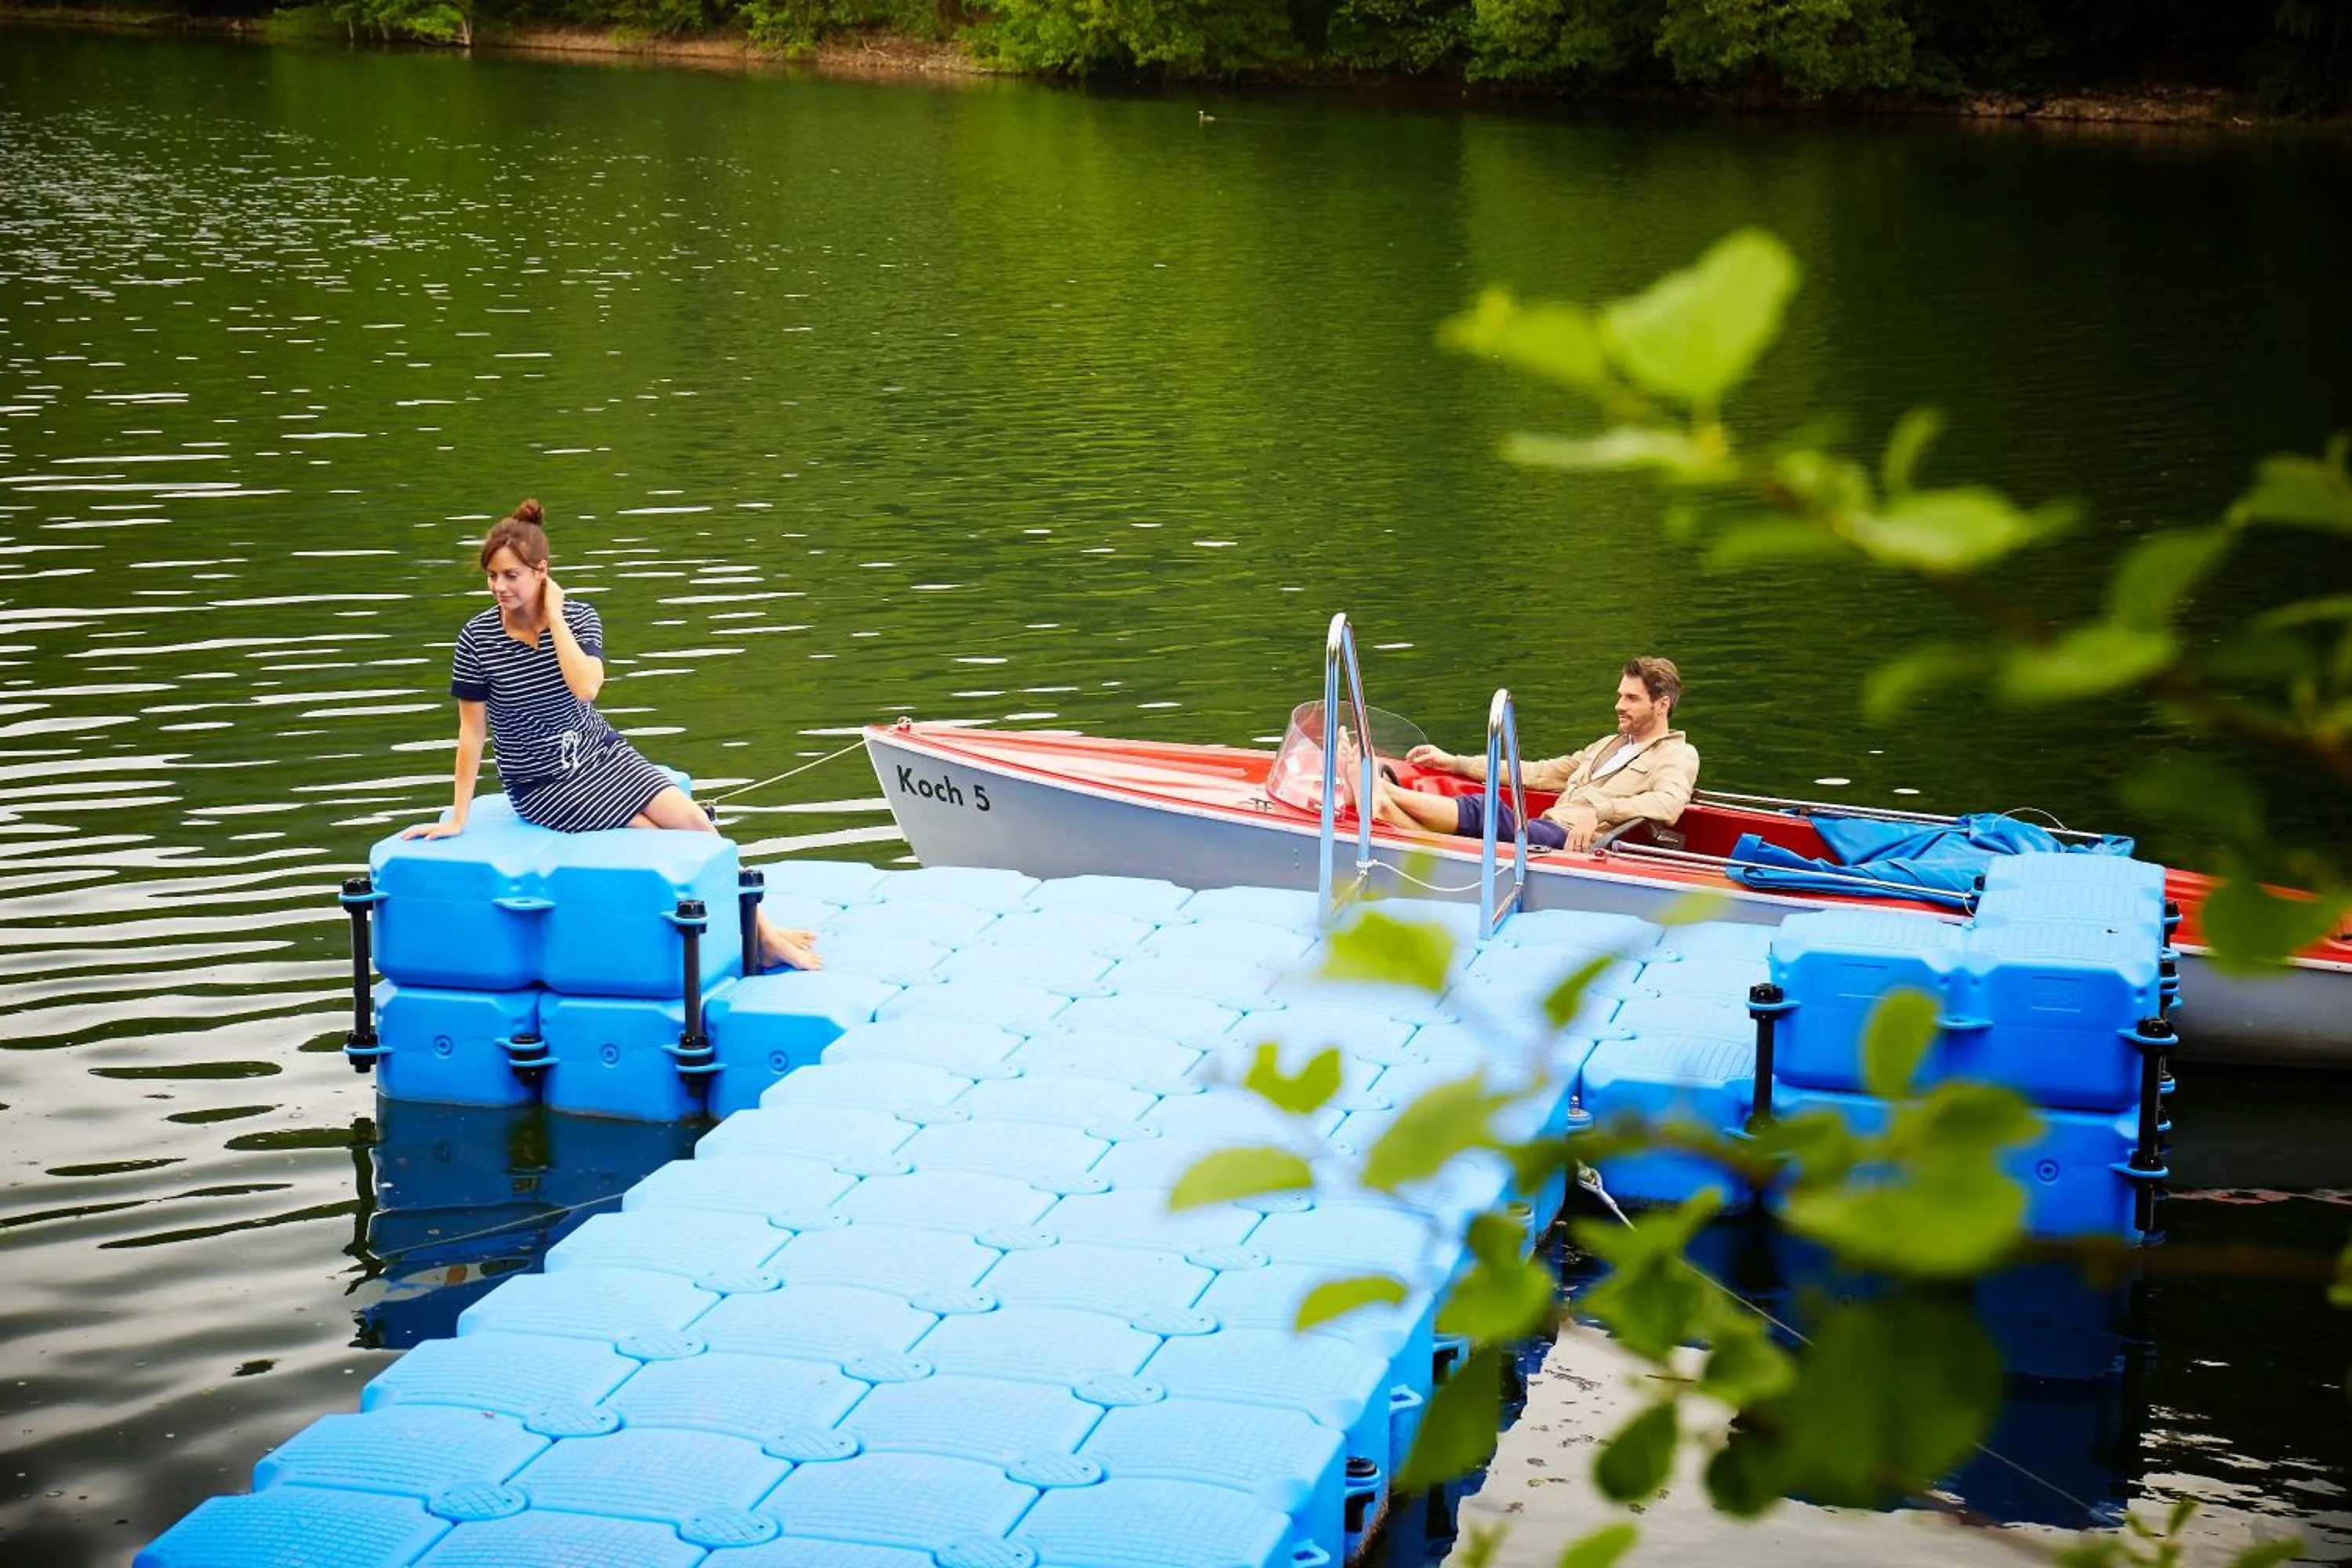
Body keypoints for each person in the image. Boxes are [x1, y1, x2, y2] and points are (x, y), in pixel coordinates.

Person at [401, 499, 821, 971]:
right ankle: (758, 936)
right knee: (662, 839)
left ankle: (760, 931)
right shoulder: (477, 638)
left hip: (602, 755)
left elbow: (586, 687)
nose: (499, 587)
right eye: (492, 577)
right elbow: (472, 732)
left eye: (511, 576)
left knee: (700, 828)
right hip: (544, 785)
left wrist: (555, 618)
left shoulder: (579, 618)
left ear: (542, 572)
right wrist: (457, 817)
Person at [1370, 656, 1699, 855]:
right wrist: (1455, 762)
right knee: (1482, 817)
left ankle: (1386, 793)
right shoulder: (1608, 745)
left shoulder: (1678, 754)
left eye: (1631, 698)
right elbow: (1537, 772)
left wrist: (1601, 810)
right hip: (1547, 830)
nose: (1618, 706)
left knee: (1488, 810)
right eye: (1619, 696)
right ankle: (1384, 807)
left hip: (1574, 843)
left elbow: (1667, 804)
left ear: (1662, 705)